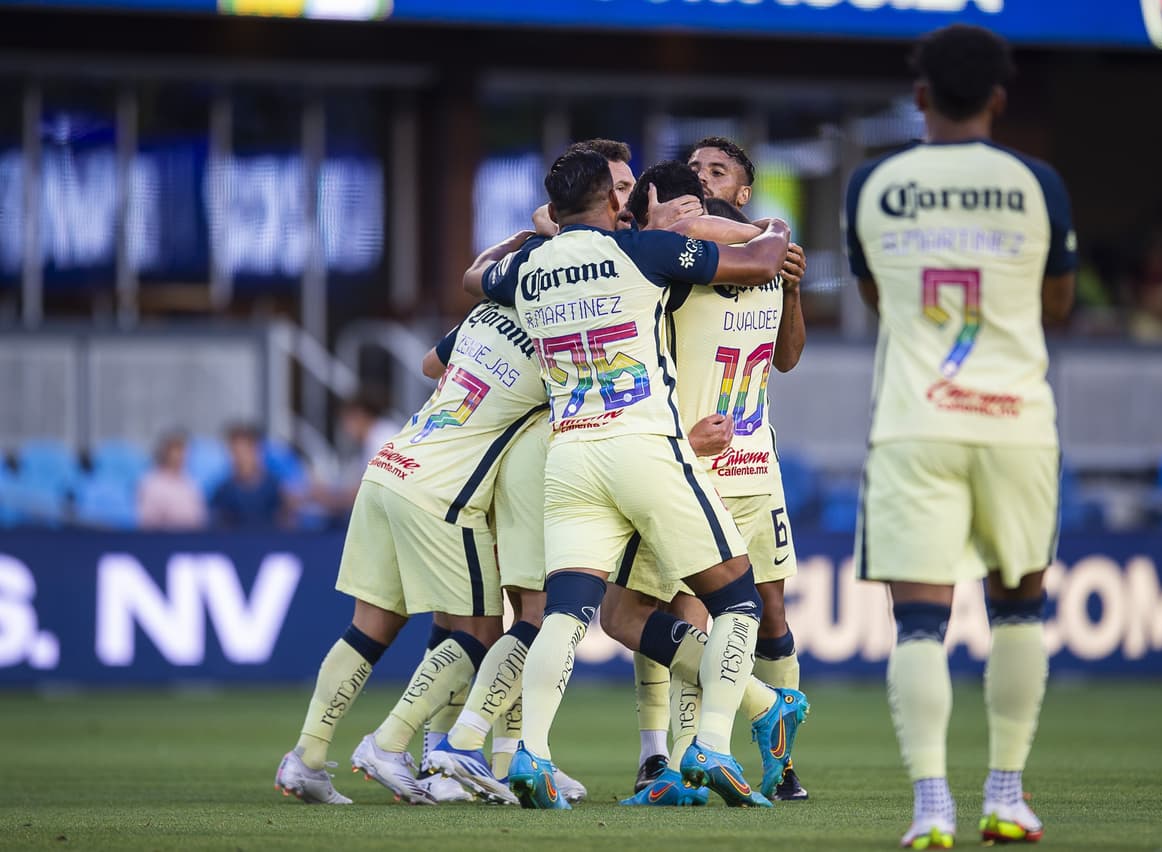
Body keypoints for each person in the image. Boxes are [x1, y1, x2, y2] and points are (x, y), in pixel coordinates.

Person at [469, 146, 800, 809]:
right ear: (614, 203)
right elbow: (763, 259)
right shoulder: (644, 252)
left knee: (565, 614)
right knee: (736, 600)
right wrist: (773, 230)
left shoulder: (530, 266)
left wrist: (526, 233)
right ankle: (711, 740)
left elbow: (476, 275)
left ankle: (532, 752)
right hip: (643, 444)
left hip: (571, 454)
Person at [845, 24, 1076, 849]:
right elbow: (1059, 304)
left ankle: (930, 808)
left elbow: (877, 299)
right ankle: (1007, 796)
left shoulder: (873, 184)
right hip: (1017, 423)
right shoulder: (1037, 183)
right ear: (999, 99)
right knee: (1018, 612)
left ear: (919, 96)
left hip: (916, 423)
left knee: (917, 625)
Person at [273, 297, 548, 806]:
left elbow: (429, 364)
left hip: (389, 467)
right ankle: (390, 743)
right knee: (483, 634)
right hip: (442, 493)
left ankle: (307, 758)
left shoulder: (485, 314)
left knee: (369, 628)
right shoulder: (559, 333)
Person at [603, 159, 811, 804]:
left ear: (735, 192)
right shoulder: (761, 255)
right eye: (696, 170)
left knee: (684, 614)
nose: (703, 178)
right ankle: (692, 752)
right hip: (733, 462)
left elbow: (787, 356)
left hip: (707, 466)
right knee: (720, 612)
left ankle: (742, 747)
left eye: (715, 172)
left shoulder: (684, 269)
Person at [209, 424, 285, 528]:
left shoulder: (274, 487)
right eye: (235, 452)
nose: (239, 458)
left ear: (255, 451)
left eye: (244, 451)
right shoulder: (223, 492)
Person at [136, 431, 207, 530]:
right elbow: (148, 522)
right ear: (165, 452)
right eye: (175, 449)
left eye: (183, 450)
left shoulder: (191, 482)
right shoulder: (151, 483)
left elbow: (199, 517)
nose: (180, 455)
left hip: (191, 539)